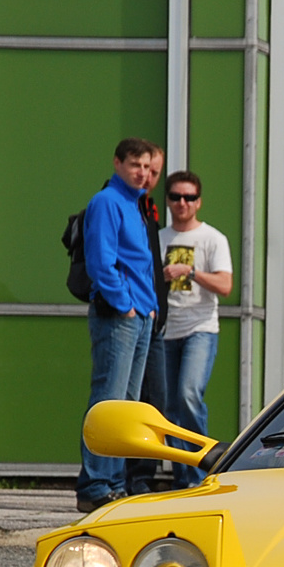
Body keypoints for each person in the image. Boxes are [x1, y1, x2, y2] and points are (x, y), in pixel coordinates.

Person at [76, 137, 159, 513]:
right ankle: (94, 484)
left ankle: (113, 482)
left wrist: (150, 308)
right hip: (119, 316)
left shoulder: (136, 203)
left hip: (142, 314)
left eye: (146, 166)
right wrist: (124, 304)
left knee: (126, 406)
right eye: (134, 165)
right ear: (117, 163)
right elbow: (101, 262)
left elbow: (141, 263)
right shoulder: (107, 202)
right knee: (108, 401)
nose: (142, 173)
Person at [158, 169, 233, 489]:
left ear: (198, 202)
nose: (182, 203)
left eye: (189, 197)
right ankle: (182, 477)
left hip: (200, 328)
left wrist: (190, 271)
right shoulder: (159, 237)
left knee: (189, 395)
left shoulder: (212, 239)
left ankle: (202, 472)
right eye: (176, 197)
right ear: (168, 201)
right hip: (164, 330)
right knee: (169, 408)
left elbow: (225, 285)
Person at [127, 147, 170, 496]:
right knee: (127, 399)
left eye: (153, 171)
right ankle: (127, 478)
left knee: (156, 400)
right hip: (133, 313)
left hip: (152, 317)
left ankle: (143, 475)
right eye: (141, 168)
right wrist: (128, 305)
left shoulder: (147, 209)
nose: (147, 176)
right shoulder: (122, 205)